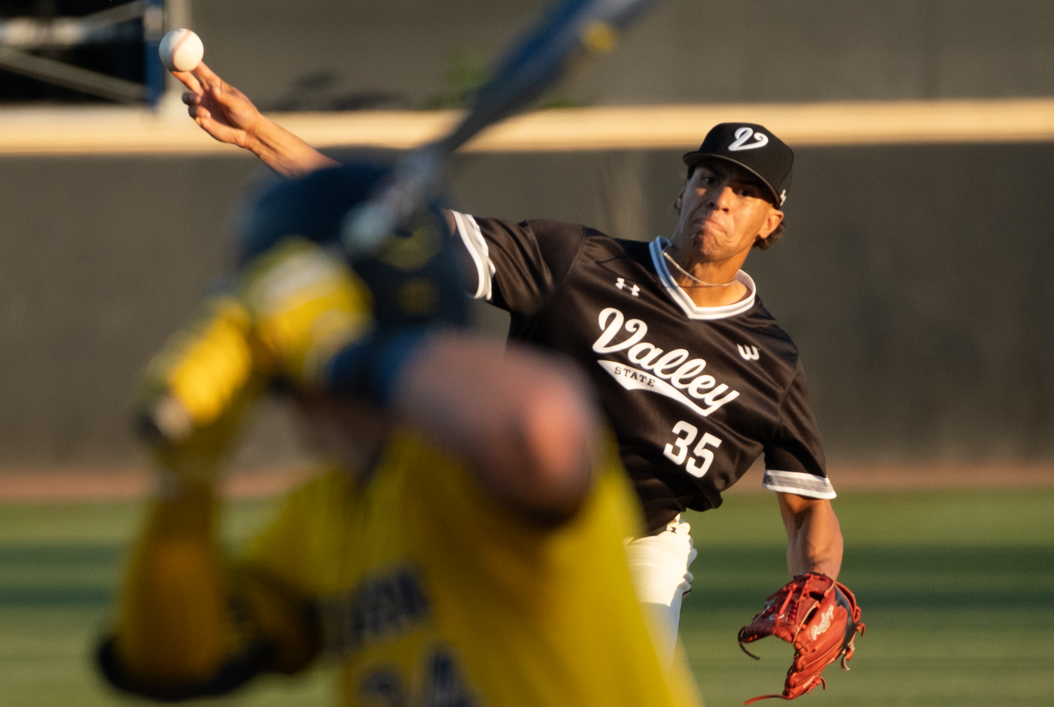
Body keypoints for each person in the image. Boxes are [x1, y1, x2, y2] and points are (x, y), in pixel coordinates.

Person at [167, 62, 847, 663]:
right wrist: (256, 131)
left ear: (770, 223)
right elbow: (404, 228)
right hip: (502, 519)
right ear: (683, 190)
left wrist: (817, 582)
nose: (720, 196)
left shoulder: (773, 363)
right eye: (708, 176)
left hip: (638, 549)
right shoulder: (576, 261)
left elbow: (806, 508)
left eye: (744, 190)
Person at [96, 166, 708, 707]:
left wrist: (340, 349)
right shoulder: (325, 513)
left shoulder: (471, 467)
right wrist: (187, 480)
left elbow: (542, 423)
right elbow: (169, 662)